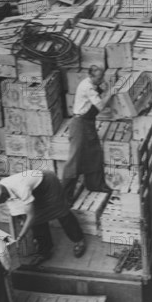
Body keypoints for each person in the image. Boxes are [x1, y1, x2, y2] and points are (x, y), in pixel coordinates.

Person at [0, 169, 86, 264]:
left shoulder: (20, 188)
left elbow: (31, 216)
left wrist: (21, 236)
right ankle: (45, 251)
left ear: (3, 196)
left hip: (48, 184)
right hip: (34, 190)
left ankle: (79, 240)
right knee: (38, 221)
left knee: (61, 213)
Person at [62, 66, 113, 206]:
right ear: (90, 76)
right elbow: (100, 106)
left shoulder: (92, 84)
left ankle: (95, 185)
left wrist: (104, 87)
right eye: (98, 77)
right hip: (79, 125)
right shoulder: (87, 87)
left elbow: (97, 93)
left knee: (94, 152)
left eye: (102, 76)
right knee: (75, 160)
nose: (101, 79)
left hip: (88, 123)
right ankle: (65, 197)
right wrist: (111, 92)